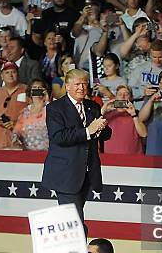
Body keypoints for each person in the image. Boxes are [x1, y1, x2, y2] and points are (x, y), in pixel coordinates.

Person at [41, 68, 112, 230]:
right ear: (67, 86)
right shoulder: (55, 108)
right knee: (75, 223)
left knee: (71, 221)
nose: (81, 88)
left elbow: (106, 135)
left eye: (84, 84)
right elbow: (59, 137)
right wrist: (89, 130)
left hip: (87, 174)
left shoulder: (92, 107)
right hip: (66, 175)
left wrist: (101, 129)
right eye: (77, 84)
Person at [0, 62, 28, 150]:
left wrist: (17, 125)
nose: (10, 75)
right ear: (2, 76)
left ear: (18, 74)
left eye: (13, 72)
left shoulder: (27, 91)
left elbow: (37, 116)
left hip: (21, 144)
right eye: (7, 72)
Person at [101, 85, 146, 154]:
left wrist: (133, 115)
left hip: (134, 157)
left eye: (126, 94)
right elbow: (93, 130)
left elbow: (144, 134)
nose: (122, 97)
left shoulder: (137, 113)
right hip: (110, 157)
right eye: (119, 94)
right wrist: (104, 108)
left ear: (131, 98)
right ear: (115, 97)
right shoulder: (107, 115)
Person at [127, 40, 162, 104]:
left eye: (160, 57)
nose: (157, 60)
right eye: (154, 57)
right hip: (141, 104)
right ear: (150, 54)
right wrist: (143, 92)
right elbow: (128, 91)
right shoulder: (140, 69)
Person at [12, 79, 50, 150]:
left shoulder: (50, 109)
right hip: (28, 152)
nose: (37, 91)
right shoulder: (25, 112)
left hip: (47, 151)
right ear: (30, 92)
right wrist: (16, 139)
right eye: (34, 89)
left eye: (40, 89)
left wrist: (46, 100)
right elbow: (16, 131)